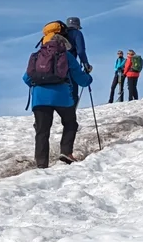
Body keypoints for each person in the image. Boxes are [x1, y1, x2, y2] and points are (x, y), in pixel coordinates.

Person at [24, 21, 92, 167]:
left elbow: (26, 78)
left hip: (39, 99)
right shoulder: (66, 56)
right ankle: (66, 152)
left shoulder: (36, 56)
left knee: (42, 131)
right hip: (62, 97)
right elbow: (81, 79)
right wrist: (88, 78)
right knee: (70, 123)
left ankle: (41, 164)